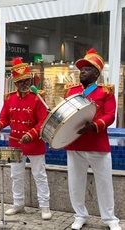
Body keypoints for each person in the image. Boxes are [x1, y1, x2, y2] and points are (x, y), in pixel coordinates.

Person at [0, 58, 52, 220]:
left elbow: (43, 121)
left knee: (39, 174)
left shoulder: (38, 98)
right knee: (15, 175)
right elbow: (4, 118)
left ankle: (45, 206)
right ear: (15, 83)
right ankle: (18, 203)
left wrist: (30, 135)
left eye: (27, 80)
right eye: (20, 81)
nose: (24, 84)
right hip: (15, 142)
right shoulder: (9, 99)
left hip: (34, 143)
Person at [63, 48, 121, 230]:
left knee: (104, 183)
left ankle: (110, 219)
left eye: (87, 69)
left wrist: (94, 126)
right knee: (75, 183)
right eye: (81, 69)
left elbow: (111, 115)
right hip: (75, 144)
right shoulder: (70, 91)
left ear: (96, 73)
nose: (82, 71)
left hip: (98, 144)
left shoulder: (106, 92)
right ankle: (80, 215)